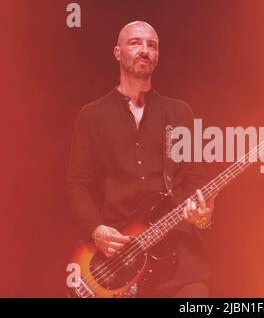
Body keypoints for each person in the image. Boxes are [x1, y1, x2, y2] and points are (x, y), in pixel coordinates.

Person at [66, 21, 216, 297]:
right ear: (117, 52)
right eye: (135, 43)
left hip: (178, 261)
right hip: (118, 260)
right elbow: (77, 183)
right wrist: (95, 229)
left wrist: (203, 216)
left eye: (152, 45)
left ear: (157, 56)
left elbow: (194, 176)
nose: (144, 50)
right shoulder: (91, 116)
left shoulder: (179, 113)